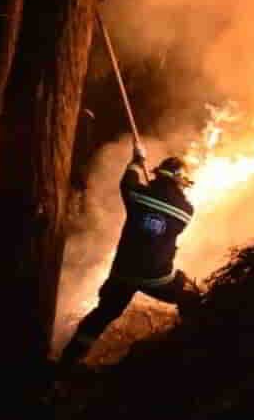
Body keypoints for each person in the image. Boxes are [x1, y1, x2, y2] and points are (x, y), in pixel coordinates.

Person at [58, 143, 202, 369]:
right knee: (193, 297)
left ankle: (69, 360)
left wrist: (136, 162)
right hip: (157, 278)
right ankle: (191, 346)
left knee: (103, 315)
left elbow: (127, 182)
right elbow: (163, 211)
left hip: (123, 273)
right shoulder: (186, 210)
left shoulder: (137, 196)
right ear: (180, 181)